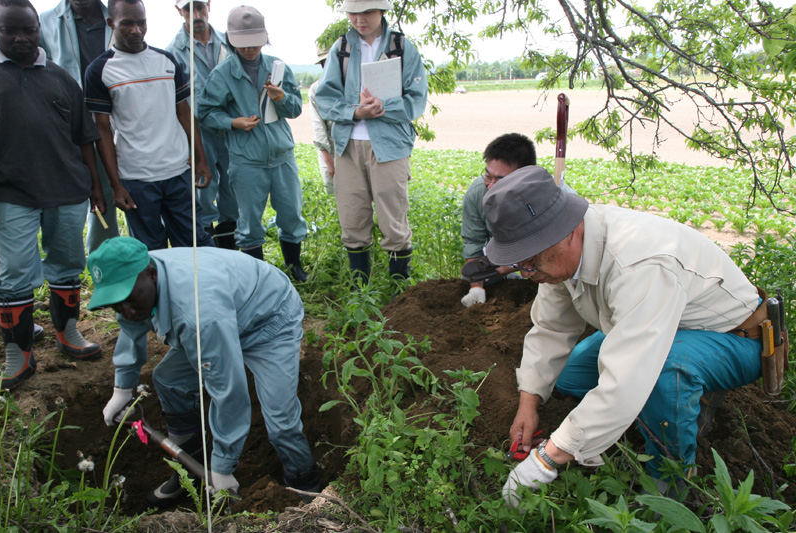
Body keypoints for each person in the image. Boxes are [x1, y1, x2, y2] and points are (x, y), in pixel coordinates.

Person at [482, 167, 766, 507]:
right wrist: (528, 405)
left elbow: (626, 379)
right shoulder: (558, 256)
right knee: (572, 376)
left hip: (732, 338)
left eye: (530, 264)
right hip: (657, 324)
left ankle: (669, 483)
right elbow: (551, 329)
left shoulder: (639, 263)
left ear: (568, 233)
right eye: (521, 267)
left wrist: (548, 458)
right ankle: (647, 413)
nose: (529, 275)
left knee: (662, 373)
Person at [89, 237, 322, 508]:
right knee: (168, 379)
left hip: (268, 320)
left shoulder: (198, 312)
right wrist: (123, 388)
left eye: (128, 299)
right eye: (115, 303)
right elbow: (131, 328)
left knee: (281, 420)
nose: (125, 311)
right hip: (224, 312)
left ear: (151, 274)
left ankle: (303, 480)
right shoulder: (134, 276)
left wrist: (223, 464)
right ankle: (190, 470)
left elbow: (229, 390)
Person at [0, 0, 104, 391]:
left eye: (28, 30)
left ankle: (67, 333)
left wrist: (94, 186)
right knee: (14, 273)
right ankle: (18, 354)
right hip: (12, 194)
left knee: (67, 262)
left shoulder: (60, 78)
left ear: (39, 29)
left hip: (66, 189)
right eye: (10, 31)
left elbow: (84, 138)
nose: (21, 38)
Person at [84, 0, 214, 251]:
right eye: (127, 24)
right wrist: (116, 185)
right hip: (137, 179)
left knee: (195, 244)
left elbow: (184, 112)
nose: (136, 30)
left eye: (141, 23)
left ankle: (197, 291)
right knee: (151, 250)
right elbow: (102, 129)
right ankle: (163, 292)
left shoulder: (166, 60)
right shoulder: (100, 70)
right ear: (111, 24)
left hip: (178, 173)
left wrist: (201, 159)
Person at [315, 0, 428, 285]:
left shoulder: (403, 48)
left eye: (367, 11)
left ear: (381, 11)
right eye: (353, 12)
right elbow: (325, 98)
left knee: (393, 220)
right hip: (348, 147)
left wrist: (382, 107)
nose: (359, 19)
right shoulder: (341, 48)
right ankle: (359, 294)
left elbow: (417, 99)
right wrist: (356, 111)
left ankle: (398, 294)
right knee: (352, 219)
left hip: (389, 146)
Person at [198, 5, 309, 281]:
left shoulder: (277, 66)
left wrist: (281, 98)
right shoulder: (223, 74)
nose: (249, 50)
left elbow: (295, 109)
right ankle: (256, 278)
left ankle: (294, 267)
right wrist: (233, 122)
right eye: (243, 45)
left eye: (255, 44)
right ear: (232, 41)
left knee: (292, 214)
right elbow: (206, 112)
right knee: (248, 223)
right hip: (247, 159)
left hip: (282, 155)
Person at [38, 0, 119, 254]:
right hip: (64, 126)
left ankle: (104, 266)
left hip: (109, 122)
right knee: (66, 197)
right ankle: (65, 271)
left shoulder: (116, 16)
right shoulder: (45, 21)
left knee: (105, 194)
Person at [166, 0, 238, 250]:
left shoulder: (229, 42)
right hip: (198, 134)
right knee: (203, 195)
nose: (196, 14)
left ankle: (231, 252)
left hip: (232, 129)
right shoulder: (173, 52)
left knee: (234, 190)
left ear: (209, 5)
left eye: (200, 6)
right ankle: (209, 255)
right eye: (188, 9)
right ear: (179, 11)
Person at [460, 133, 537, 307]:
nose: (491, 186)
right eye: (488, 176)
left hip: (543, 261)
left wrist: (509, 266)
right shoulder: (477, 192)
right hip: (505, 257)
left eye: (500, 180)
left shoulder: (545, 197)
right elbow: (473, 241)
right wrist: (476, 287)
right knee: (475, 275)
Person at [308, 44, 335, 196]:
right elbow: (318, 126)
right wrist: (328, 159)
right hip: (329, 147)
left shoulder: (351, 84)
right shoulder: (316, 89)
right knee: (333, 192)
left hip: (352, 148)